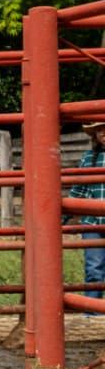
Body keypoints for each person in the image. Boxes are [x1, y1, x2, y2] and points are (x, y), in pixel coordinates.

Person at [70, 121, 105, 303]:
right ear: (95, 135)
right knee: (94, 268)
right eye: (99, 130)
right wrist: (61, 217)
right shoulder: (89, 158)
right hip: (93, 221)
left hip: (94, 222)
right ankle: (92, 311)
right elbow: (79, 190)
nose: (103, 133)